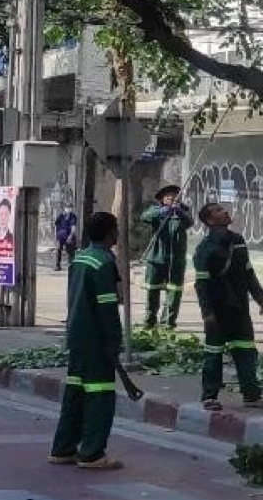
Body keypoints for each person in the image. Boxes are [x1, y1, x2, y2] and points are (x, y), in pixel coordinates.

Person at [49, 211, 126, 470]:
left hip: (77, 336)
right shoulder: (103, 262)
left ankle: (63, 448)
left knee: (75, 393)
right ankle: (92, 454)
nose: (118, 233)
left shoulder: (80, 258)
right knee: (100, 394)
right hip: (96, 339)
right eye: (116, 229)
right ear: (110, 233)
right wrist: (113, 341)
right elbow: (107, 306)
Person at [192, 202, 263, 412]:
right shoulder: (205, 249)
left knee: (246, 351)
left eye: (223, 209)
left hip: (239, 309)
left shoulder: (238, 241)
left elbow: (248, 271)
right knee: (214, 353)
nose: (225, 212)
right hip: (217, 311)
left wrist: (260, 296)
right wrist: (207, 314)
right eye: (218, 210)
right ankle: (209, 397)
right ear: (210, 221)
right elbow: (201, 285)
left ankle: (251, 396)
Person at [140, 185, 192, 328]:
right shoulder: (156, 210)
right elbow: (145, 217)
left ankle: (168, 323)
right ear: (162, 199)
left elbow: (189, 222)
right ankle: (149, 321)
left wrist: (178, 211)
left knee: (174, 292)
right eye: (169, 196)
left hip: (176, 260)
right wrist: (163, 211)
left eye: (175, 195)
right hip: (156, 258)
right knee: (152, 290)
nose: (173, 198)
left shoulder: (183, 212)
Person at [53, 204, 79, 272]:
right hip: (61, 235)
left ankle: (71, 266)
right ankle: (57, 265)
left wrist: (70, 236)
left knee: (71, 251)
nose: (69, 209)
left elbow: (73, 227)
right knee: (59, 250)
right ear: (64, 208)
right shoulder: (60, 215)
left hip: (69, 235)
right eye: (67, 207)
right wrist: (56, 235)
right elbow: (56, 225)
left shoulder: (73, 216)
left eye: (70, 208)